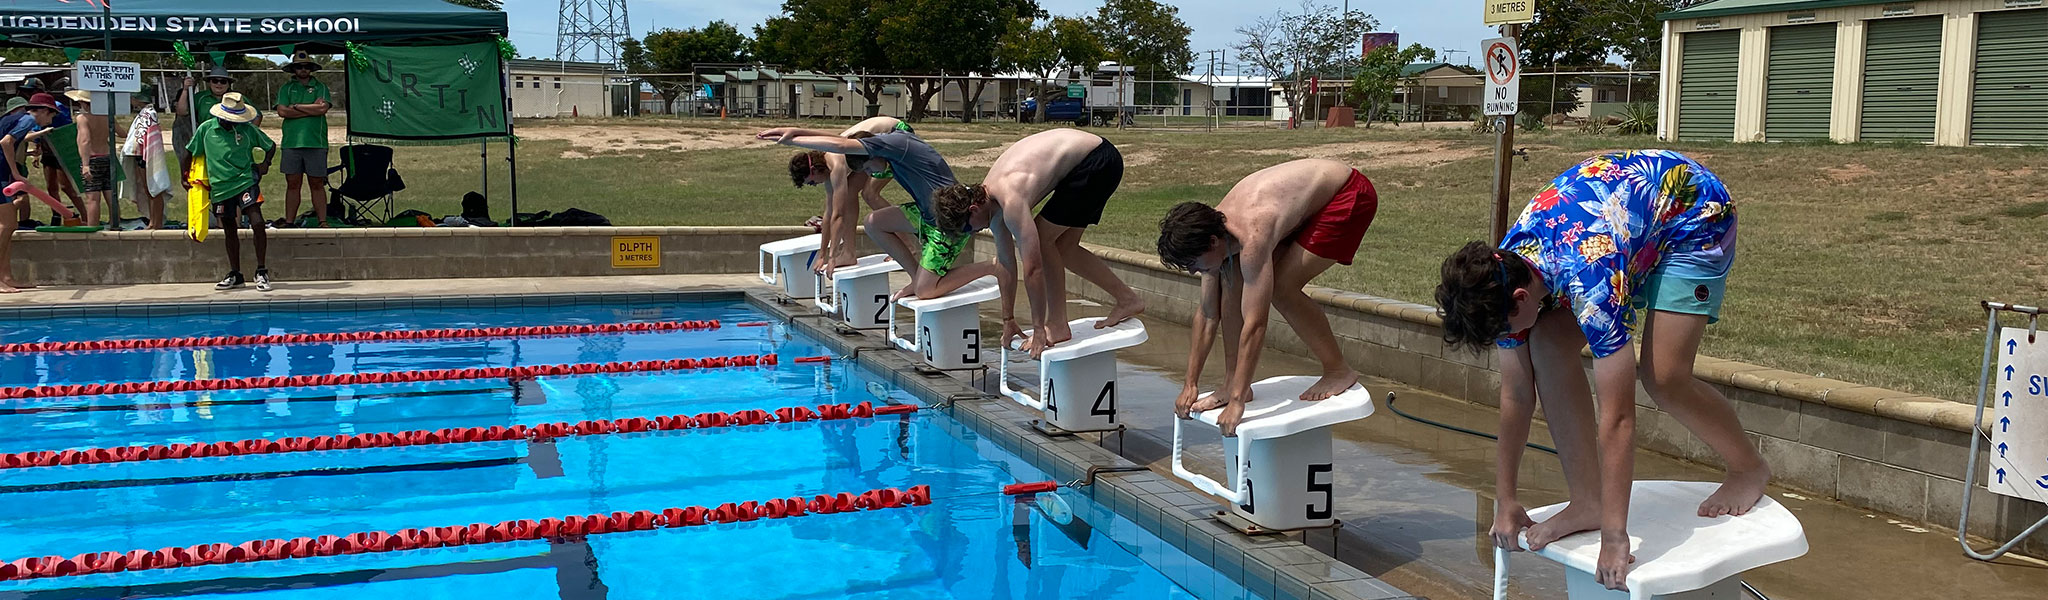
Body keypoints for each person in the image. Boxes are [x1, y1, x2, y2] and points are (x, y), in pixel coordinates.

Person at [1433, 150, 1766, 592]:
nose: (1509, 339)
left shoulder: (1592, 283)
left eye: (1506, 329)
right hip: (1622, 225)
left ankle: (1748, 469)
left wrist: (1615, 536)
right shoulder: (1505, 268)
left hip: (1693, 215)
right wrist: (1506, 500)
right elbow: (1515, 395)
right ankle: (1587, 500)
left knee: (1663, 376)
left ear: (1518, 298)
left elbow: (1619, 417)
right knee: (1547, 343)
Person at [1154, 159, 1378, 436]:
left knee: (1282, 289)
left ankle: (1338, 370)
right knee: (1229, 282)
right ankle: (1233, 382)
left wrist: (1236, 404)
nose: (1194, 271)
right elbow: (1208, 313)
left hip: (1347, 194)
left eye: (1194, 264)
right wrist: (1190, 384)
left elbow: (1256, 325)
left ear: (1212, 243)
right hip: (1302, 204)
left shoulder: (1252, 235)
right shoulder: (1213, 235)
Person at [929, 128, 1146, 356]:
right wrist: (1008, 319)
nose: (971, 233)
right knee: (1065, 249)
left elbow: (1033, 269)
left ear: (973, 209)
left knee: (1043, 240)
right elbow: (1005, 264)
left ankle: (1057, 325)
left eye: (966, 228)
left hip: (1095, 160)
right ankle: (1128, 299)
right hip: (1090, 161)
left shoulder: (1010, 199)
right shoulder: (990, 205)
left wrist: (1038, 329)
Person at [757, 125, 1001, 301]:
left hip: (951, 224)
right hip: (928, 214)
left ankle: (993, 266)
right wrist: (794, 130)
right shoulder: (887, 151)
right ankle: (917, 278)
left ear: (872, 154)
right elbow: (838, 139)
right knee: (874, 222)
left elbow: (840, 144)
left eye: (868, 167)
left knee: (927, 293)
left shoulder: (897, 146)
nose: (871, 174)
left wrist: (793, 140)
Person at [785, 116, 912, 276]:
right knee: (851, 191)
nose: (814, 185)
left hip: (895, 134)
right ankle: (849, 254)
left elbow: (839, 215)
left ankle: (907, 247)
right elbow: (828, 214)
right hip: (869, 145)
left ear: (814, 171)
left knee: (869, 194)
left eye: (811, 182)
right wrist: (822, 254)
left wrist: (831, 257)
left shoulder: (836, 165)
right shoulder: (826, 167)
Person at [182, 92, 276, 292]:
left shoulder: (248, 129)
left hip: (245, 180)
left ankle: (261, 270)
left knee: (257, 222)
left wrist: (265, 164)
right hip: (220, 186)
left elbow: (270, 145)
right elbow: (189, 151)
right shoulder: (206, 129)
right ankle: (236, 273)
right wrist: (185, 176)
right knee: (229, 228)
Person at [0, 94, 64, 292]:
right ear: (44, 111)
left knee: (9, 225)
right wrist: (16, 172)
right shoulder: (28, 118)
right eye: (51, 116)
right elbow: (5, 142)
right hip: (0, 173)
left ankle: (7, 276)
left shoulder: (14, 118)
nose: (49, 121)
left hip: (2, 174)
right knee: (7, 224)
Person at [273, 52, 332, 228]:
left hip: (316, 142)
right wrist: (311, 107)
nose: (303, 69)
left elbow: (322, 109)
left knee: (317, 183)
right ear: (294, 69)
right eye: (299, 66)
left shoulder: (321, 87)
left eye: (306, 66)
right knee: (293, 183)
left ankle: (323, 221)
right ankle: (290, 221)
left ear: (311, 69)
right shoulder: (286, 88)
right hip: (291, 143)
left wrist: (297, 106)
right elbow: (282, 112)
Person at [121, 85, 170, 230]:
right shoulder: (145, 113)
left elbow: (141, 139)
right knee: (147, 190)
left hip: (146, 157)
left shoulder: (148, 114)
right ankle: (152, 220)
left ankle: (156, 222)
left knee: (153, 189)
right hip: (141, 156)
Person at [174, 64, 233, 166]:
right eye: (215, 80)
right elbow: (182, 113)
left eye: (223, 81)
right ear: (209, 82)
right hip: (205, 143)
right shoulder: (200, 97)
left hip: (229, 144)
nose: (219, 84)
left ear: (228, 84)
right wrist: (185, 90)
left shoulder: (236, 98)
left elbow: (256, 115)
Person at [66, 90, 109, 228]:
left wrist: (85, 164)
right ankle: (115, 224)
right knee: (110, 195)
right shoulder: (106, 116)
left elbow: (85, 140)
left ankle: (92, 228)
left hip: (93, 158)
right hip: (107, 156)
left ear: (84, 103)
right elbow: (121, 132)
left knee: (93, 199)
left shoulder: (83, 118)